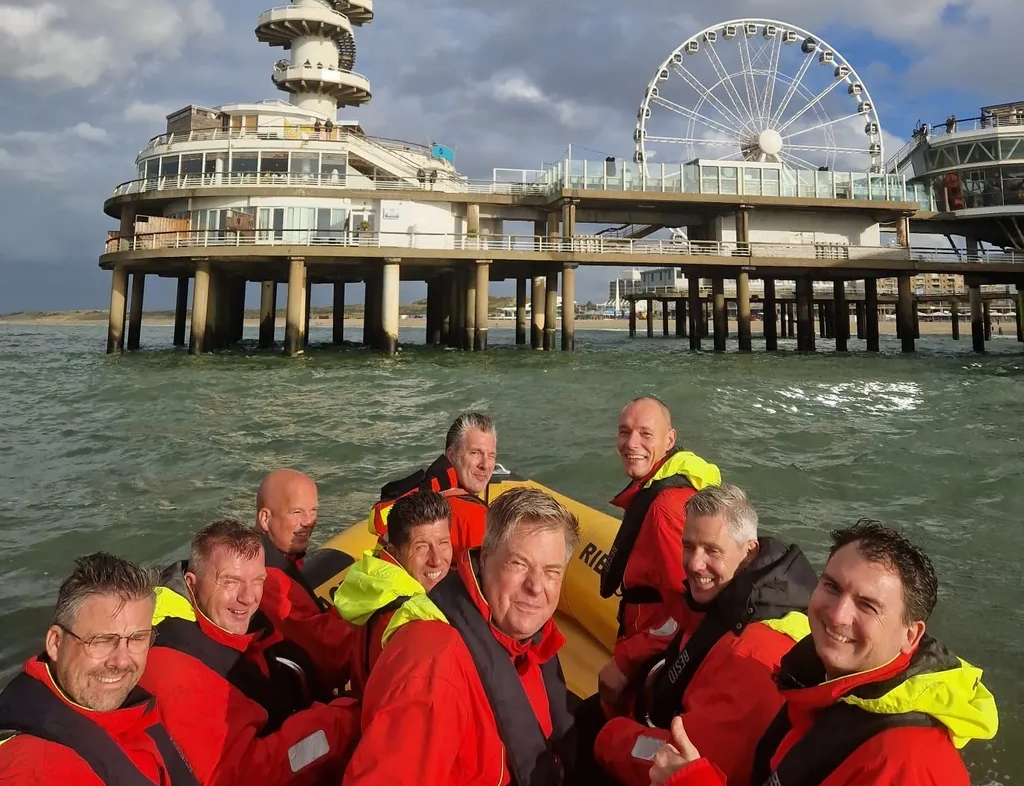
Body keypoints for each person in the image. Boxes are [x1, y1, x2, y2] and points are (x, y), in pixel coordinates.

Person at [648, 519, 999, 786]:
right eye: (831, 586)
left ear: (911, 635)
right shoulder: (825, 684)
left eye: (867, 605)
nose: (837, 614)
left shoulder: (908, 764)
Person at [343, 487, 580, 786]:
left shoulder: (529, 643)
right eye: (518, 564)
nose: (536, 586)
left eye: (551, 572)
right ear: (484, 558)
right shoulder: (432, 661)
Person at [590, 484, 817, 786]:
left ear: (749, 552)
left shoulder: (750, 655)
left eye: (712, 550)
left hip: (693, 757)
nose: (695, 564)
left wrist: (609, 736)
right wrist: (628, 658)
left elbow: (683, 758)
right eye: (688, 546)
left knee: (583, 729)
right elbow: (682, 628)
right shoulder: (729, 597)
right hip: (672, 712)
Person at [141, 519, 361, 786]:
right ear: (192, 582)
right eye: (230, 582)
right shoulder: (176, 669)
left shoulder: (242, 612)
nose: (247, 598)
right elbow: (244, 776)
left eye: (257, 580)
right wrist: (336, 724)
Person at [0, 553, 201, 785]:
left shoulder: (121, 709)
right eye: (102, 640)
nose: (122, 661)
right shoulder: (37, 768)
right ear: (55, 642)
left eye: (137, 638)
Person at [597, 396, 721, 713]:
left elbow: (687, 610)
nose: (631, 443)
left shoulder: (665, 509)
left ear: (670, 440)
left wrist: (625, 662)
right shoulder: (663, 488)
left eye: (645, 434)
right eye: (624, 432)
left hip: (652, 658)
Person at [334, 489, 454, 697]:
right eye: (421, 547)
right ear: (394, 551)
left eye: (443, 543)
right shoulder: (413, 620)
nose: (436, 559)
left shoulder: (374, 585)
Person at [257, 468, 355, 693]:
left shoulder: (272, 557)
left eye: (313, 511)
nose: (309, 522)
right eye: (297, 512)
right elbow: (329, 653)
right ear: (265, 518)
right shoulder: (269, 580)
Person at [369, 412, 497, 555]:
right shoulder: (474, 515)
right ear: (451, 455)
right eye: (475, 453)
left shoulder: (424, 491)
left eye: (491, 455)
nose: (485, 464)